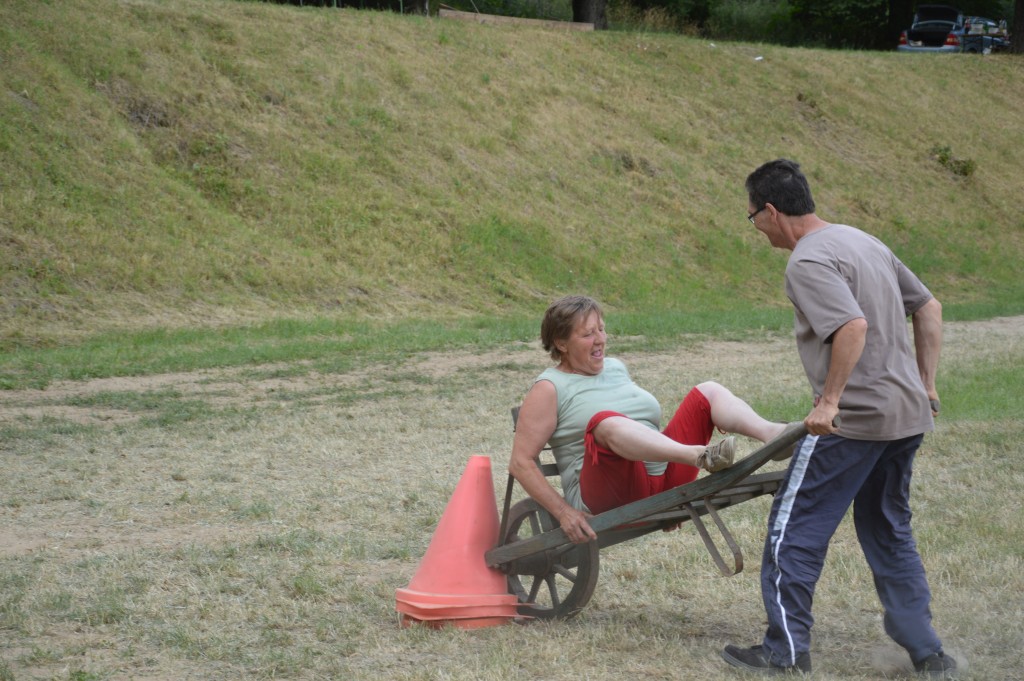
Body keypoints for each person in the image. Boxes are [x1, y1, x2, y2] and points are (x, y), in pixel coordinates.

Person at [722, 159, 952, 677]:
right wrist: (927, 384)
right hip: (906, 417)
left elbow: (852, 326)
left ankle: (784, 652)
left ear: (772, 212)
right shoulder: (863, 241)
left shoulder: (806, 260)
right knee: (889, 528)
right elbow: (929, 307)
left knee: (793, 529)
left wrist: (829, 402)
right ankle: (927, 651)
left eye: (752, 217)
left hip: (855, 422)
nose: (755, 228)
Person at [508, 294, 787, 546]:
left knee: (708, 391)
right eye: (588, 334)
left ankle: (774, 436)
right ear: (561, 343)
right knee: (604, 422)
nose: (600, 339)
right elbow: (520, 462)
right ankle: (700, 456)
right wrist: (563, 512)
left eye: (602, 329)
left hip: (662, 477)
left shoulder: (615, 368)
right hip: (607, 495)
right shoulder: (549, 387)